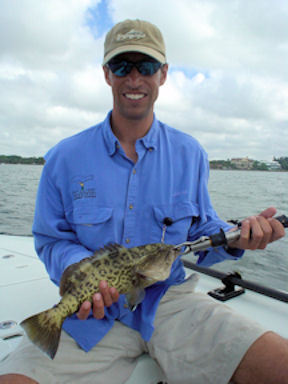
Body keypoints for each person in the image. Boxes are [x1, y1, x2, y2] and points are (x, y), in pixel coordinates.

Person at [0, 19, 287, 384]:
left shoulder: (190, 153)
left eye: (146, 66)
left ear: (163, 74)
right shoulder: (64, 157)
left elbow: (203, 230)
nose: (134, 78)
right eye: (122, 66)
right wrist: (84, 275)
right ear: (107, 74)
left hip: (172, 303)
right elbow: (51, 239)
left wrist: (239, 237)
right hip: (93, 316)